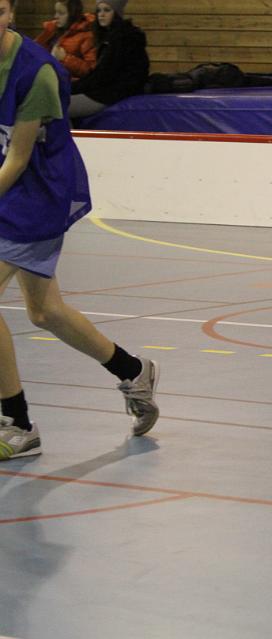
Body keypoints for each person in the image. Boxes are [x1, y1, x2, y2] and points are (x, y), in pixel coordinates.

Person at [0, 0, 159, 459]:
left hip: (37, 195)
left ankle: (18, 423)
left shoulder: (36, 73)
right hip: (9, 189)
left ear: (10, 13)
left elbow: (18, 158)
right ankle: (133, 371)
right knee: (45, 311)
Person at [68, 0, 148, 120]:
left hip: (112, 94)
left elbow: (103, 75)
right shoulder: (109, 37)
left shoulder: (123, 38)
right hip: (107, 90)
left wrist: (70, 88)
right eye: (98, 11)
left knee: (56, 107)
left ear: (116, 13)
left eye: (107, 10)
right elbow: (99, 74)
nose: (101, 14)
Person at [34, 0, 96, 80]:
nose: (56, 16)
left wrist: (65, 58)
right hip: (47, 78)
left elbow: (90, 69)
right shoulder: (52, 30)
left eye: (61, 13)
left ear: (72, 15)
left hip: (69, 83)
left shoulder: (86, 35)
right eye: (56, 12)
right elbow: (34, 50)